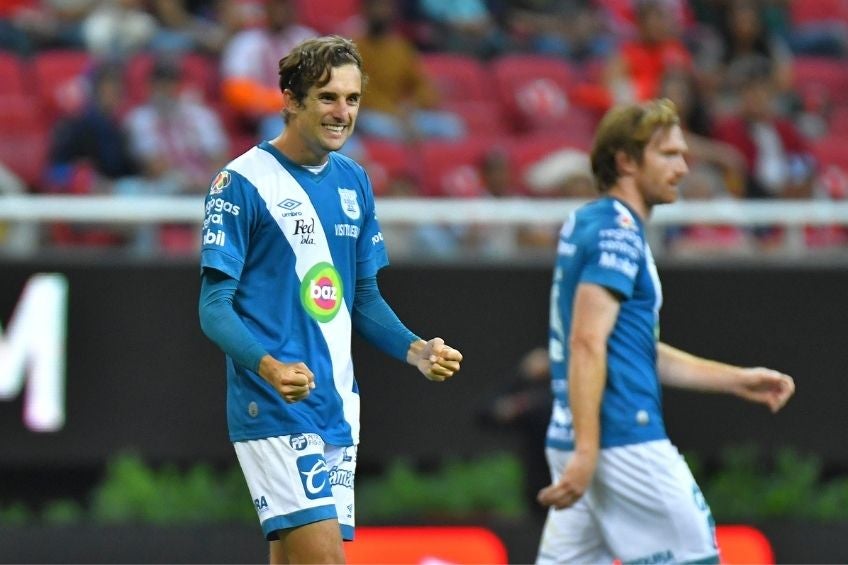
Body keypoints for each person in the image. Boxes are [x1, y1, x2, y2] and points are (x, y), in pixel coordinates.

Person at [197, 35, 463, 564]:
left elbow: (362, 298)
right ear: (291, 101)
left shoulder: (355, 181)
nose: (342, 112)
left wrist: (417, 350)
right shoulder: (240, 182)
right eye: (326, 97)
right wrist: (269, 368)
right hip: (274, 403)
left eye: (353, 98)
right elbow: (213, 306)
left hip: (338, 403)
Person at [536, 98, 795, 564]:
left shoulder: (590, 222)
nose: (683, 166)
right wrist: (590, 451)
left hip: (578, 437)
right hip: (622, 439)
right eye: (669, 154)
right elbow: (587, 341)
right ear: (626, 161)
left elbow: (629, 349)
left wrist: (737, 379)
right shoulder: (616, 232)